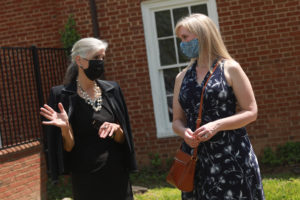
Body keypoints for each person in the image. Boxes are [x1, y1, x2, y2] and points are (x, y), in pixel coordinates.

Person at [172, 14, 265, 200]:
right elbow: (177, 120)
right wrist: (185, 133)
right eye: (180, 39)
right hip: (196, 159)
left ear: (203, 35)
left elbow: (251, 111)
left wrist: (217, 125)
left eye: (185, 37)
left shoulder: (230, 68)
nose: (181, 44)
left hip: (231, 155)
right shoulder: (181, 77)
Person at [40, 37, 137, 200]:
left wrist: (117, 129)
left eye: (102, 58)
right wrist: (64, 128)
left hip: (117, 174)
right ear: (79, 60)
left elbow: (122, 139)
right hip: (86, 178)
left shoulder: (112, 90)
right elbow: (68, 147)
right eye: (96, 58)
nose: (100, 62)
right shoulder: (62, 95)